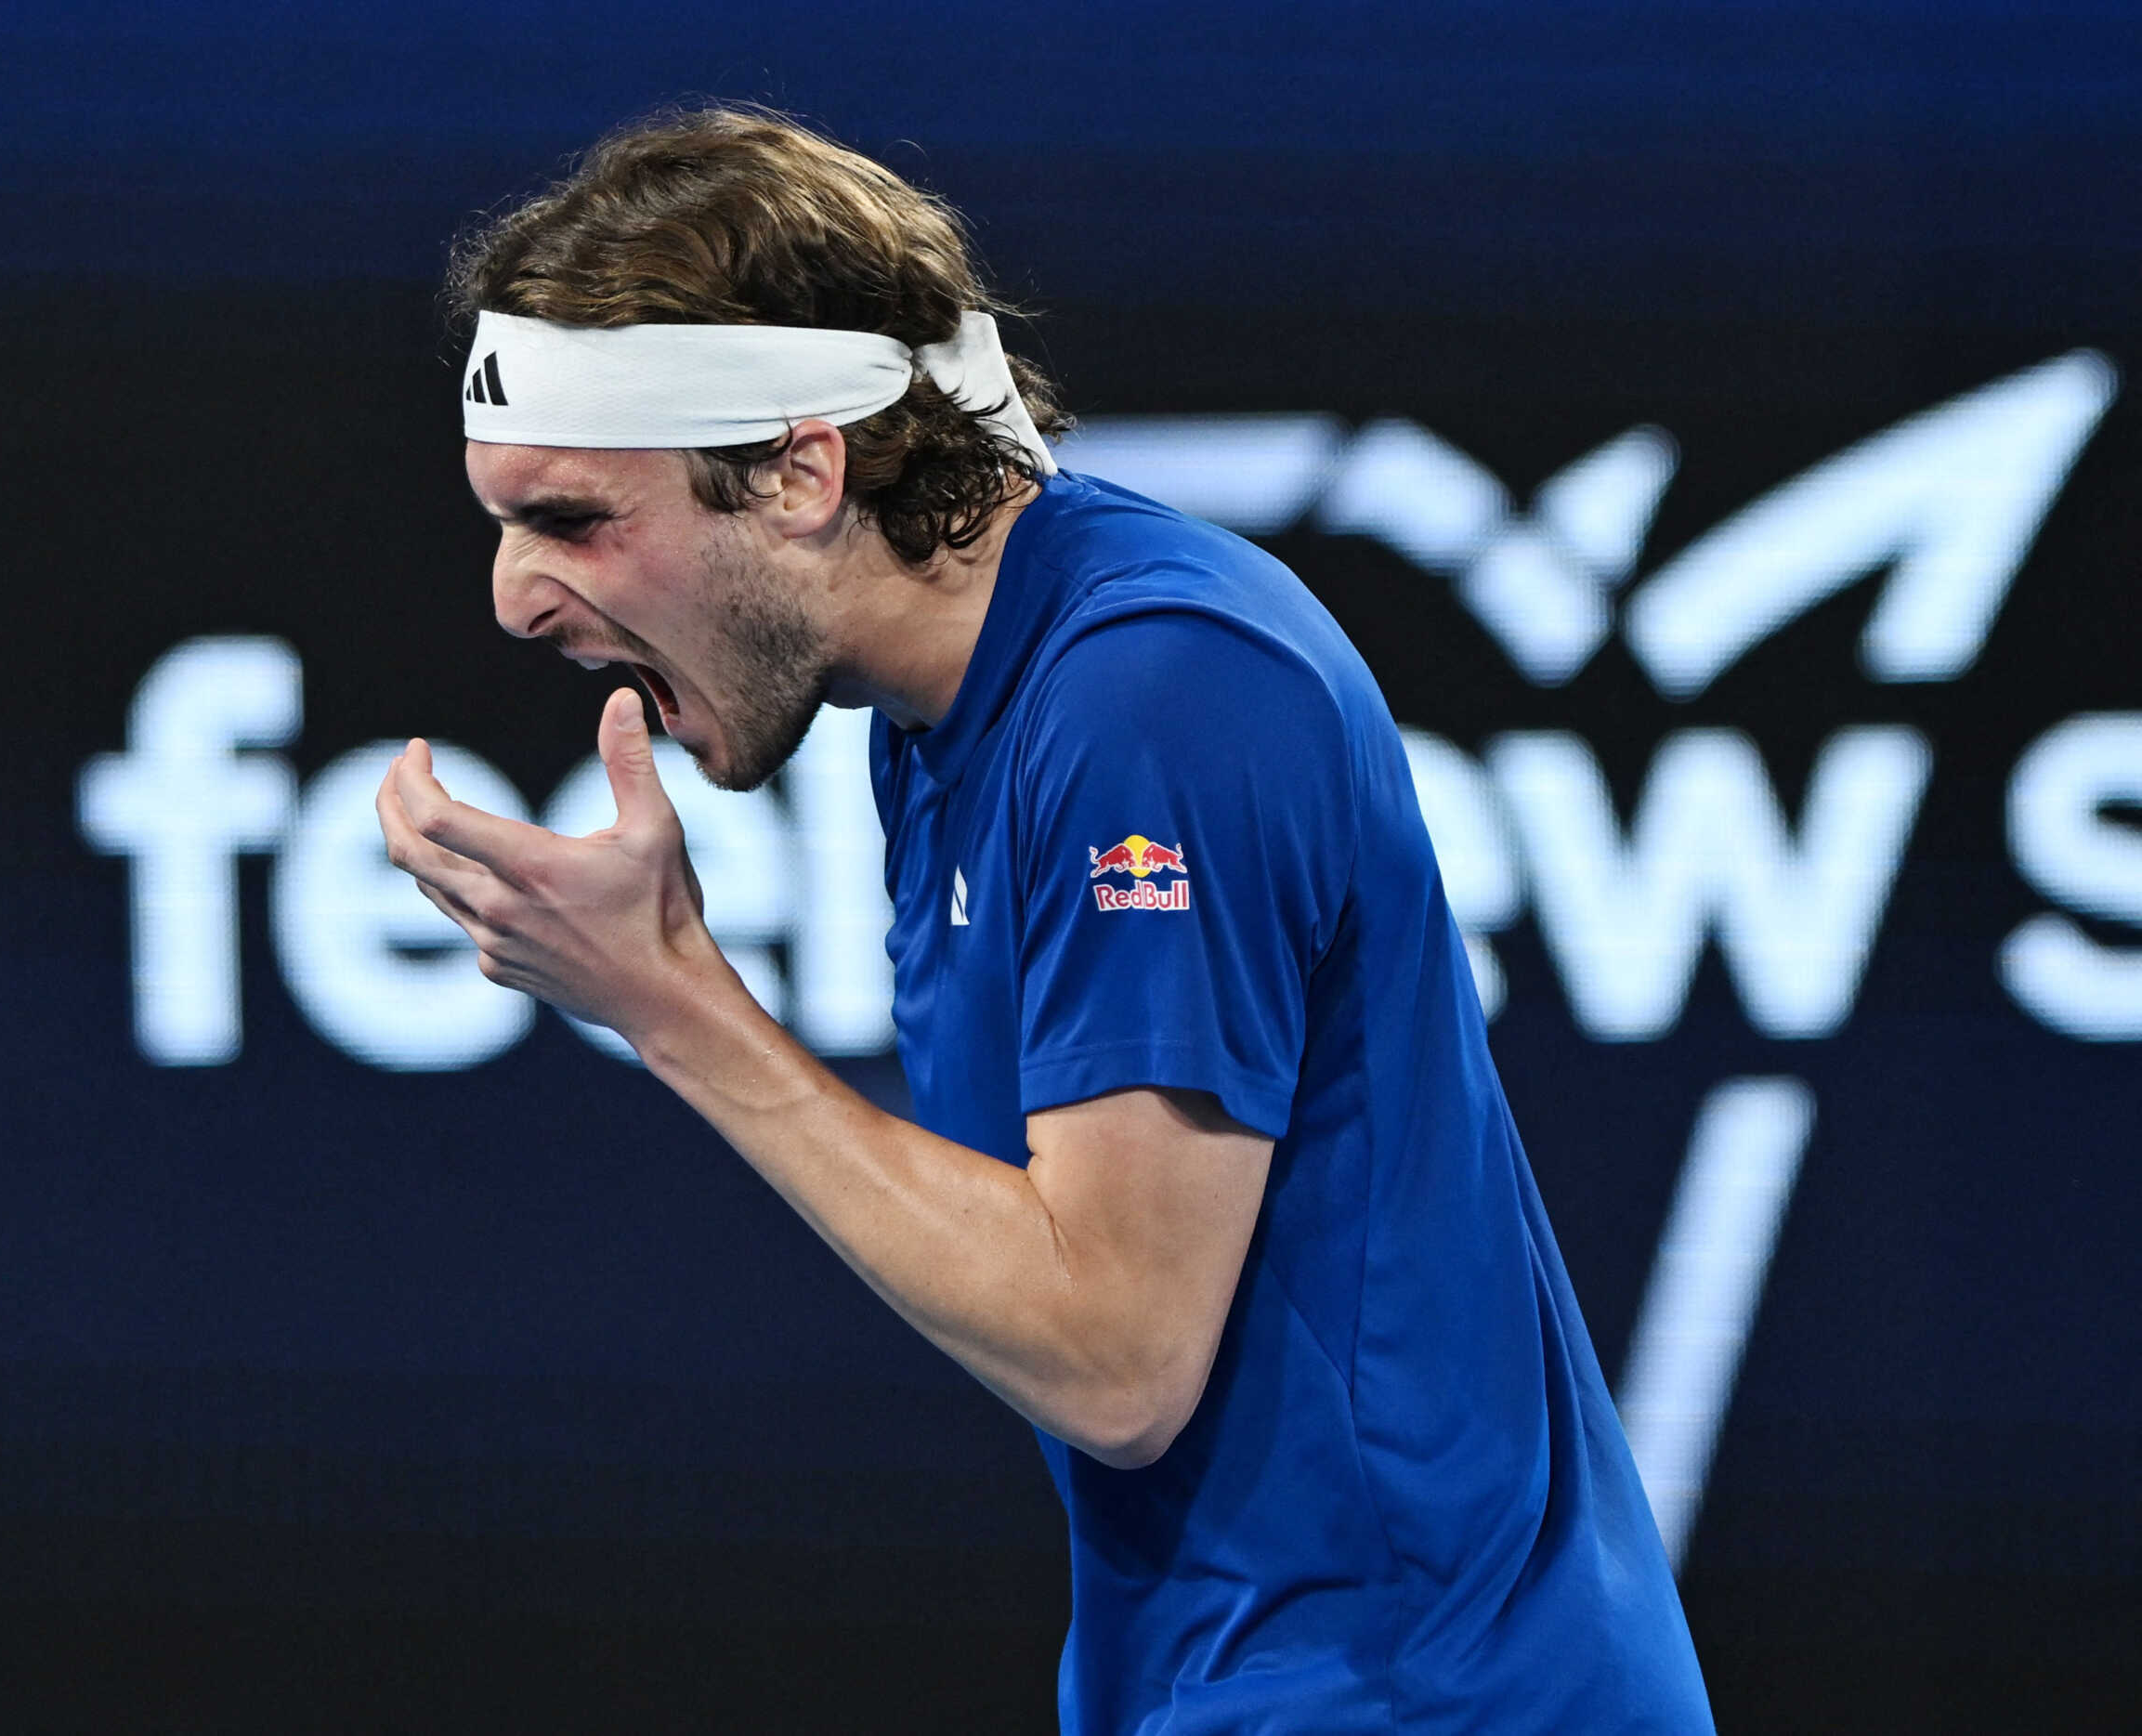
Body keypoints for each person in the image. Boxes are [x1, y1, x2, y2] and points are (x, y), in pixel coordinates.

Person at [377, 106, 1715, 1734]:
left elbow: (1116, 1354)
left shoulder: (1151, 694)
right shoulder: (948, 718)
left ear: (803, 471)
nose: (514, 594)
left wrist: (673, 1004)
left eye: (572, 519)